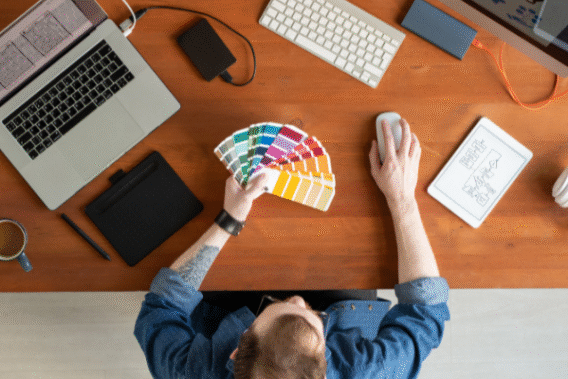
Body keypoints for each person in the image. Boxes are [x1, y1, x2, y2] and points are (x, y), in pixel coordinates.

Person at [134, 118, 449, 379]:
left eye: (281, 304)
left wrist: (228, 220)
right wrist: (403, 200)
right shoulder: (367, 371)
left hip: (224, 308)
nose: (299, 299)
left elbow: (160, 309)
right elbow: (425, 311)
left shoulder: (193, 373)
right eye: (309, 316)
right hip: (344, 305)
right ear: (325, 367)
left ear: (237, 347)